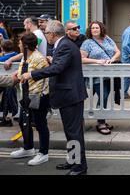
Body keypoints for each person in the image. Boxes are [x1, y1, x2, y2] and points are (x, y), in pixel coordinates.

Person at [20, 20, 88, 175]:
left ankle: (79, 167)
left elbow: (58, 68)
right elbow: (61, 64)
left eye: (46, 34)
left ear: (52, 34)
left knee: (74, 132)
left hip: (70, 96)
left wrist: (31, 74)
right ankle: (73, 161)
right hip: (68, 95)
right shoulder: (63, 45)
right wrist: (53, 60)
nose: (46, 36)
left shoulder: (64, 45)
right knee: (70, 132)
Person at [10, 33, 50, 166]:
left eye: (20, 43)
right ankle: (28, 148)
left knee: (40, 125)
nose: (19, 45)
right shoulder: (25, 57)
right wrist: (17, 74)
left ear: (26, 45)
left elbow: (42, 76)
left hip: (39, 96)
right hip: (26, 95)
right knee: (23, 122)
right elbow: (23, 73)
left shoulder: (39, 58)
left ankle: (43, 153)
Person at [80, 21, 120, 135]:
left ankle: (101, 118)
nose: (95, 30)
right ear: (90, 30)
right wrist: (97, 61)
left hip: (109, 74)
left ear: (101, 29)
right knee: (103, 95)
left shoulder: (107, 39)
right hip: (96, 75)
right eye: (93, 28)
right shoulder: (87, 43)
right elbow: (81, 58)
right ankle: (100, 121)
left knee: (105, 97)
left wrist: (112, 59)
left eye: (97, 28)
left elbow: (118, 51)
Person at [0, 40, 19, 126]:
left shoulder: (1, 59)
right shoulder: (17, 56)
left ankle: (4, 115)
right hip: (16, 81)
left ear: (2, 48)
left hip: (4, 81)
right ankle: (10, 113)